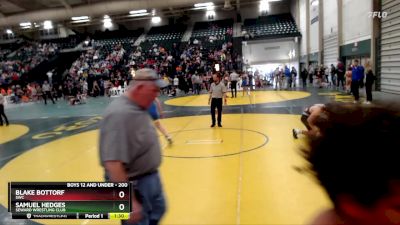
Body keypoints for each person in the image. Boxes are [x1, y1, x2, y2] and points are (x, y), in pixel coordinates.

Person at [303, 103, 400, 225]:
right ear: (354, 208)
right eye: (398, 207)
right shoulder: (318, 110)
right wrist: (314, 130)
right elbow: (311, 120)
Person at [99, 68, 167, 225]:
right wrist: (129, 201)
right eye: (154, 90)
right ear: (140, 88)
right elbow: (112, 163)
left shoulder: (139, 106)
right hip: (135, 187)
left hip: (148, 180)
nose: (157, 94)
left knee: (157, 211)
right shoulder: (119, 114)